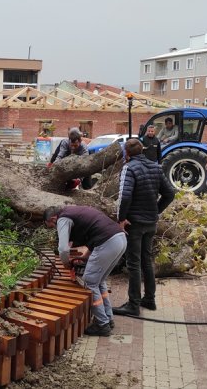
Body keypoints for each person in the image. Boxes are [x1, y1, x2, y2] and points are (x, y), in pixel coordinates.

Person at [112, 139, 176, 317]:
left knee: (133, 263)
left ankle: (133, 305)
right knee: (146, 260)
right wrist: (156, 211)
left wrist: (121, 219)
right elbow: (170, 193)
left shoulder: (129, 168)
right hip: (150, 222)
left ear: (127, 153)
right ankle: (149, 299)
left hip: (134, 223)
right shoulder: (155, 167)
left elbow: (124, 197)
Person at [43, 205, 127, 336]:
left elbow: (63, 249)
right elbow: (95, 234)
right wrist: (85, 256)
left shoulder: (63, 219)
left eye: (52, 226)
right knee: (99, 281)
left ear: (53, 218)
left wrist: (65, 264)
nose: (56, 228)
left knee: (89, 282)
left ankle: (102, 324)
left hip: (108, 242)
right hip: (120, 239)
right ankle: (108, 318)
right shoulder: (75, 211)